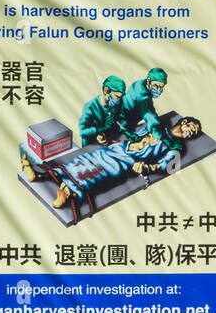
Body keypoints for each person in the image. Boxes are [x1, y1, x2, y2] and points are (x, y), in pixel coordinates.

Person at [44, 116, 202, 222]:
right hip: (122, 148)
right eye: (188, 125)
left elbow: (163, 165)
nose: (188, 130)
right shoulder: (156, 125)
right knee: (89, 159)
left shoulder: (176, 148)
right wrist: (111, 139)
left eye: (192, 132)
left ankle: (68, 192)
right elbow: (133, 133)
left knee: (101, 170)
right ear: (183, 122)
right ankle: (52, 174)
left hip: (131, 160)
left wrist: (146, 167)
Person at [117, 67, 171, 141]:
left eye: (161, 87)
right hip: (122, 118)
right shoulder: (141, 95)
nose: (159, 90)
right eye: (156, 86)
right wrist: (162, 137)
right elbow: (149, 114)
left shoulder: (141, 84)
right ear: (149, 80)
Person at [78, 75, 126, 146]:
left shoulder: (118, 104)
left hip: (110, 141)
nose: (118, 101)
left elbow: (121, 122)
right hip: (92, 146)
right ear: (106, 91)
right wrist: (102, 129)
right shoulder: (90, 107)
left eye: (120, 97)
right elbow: (82, 131)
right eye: (117, 97)